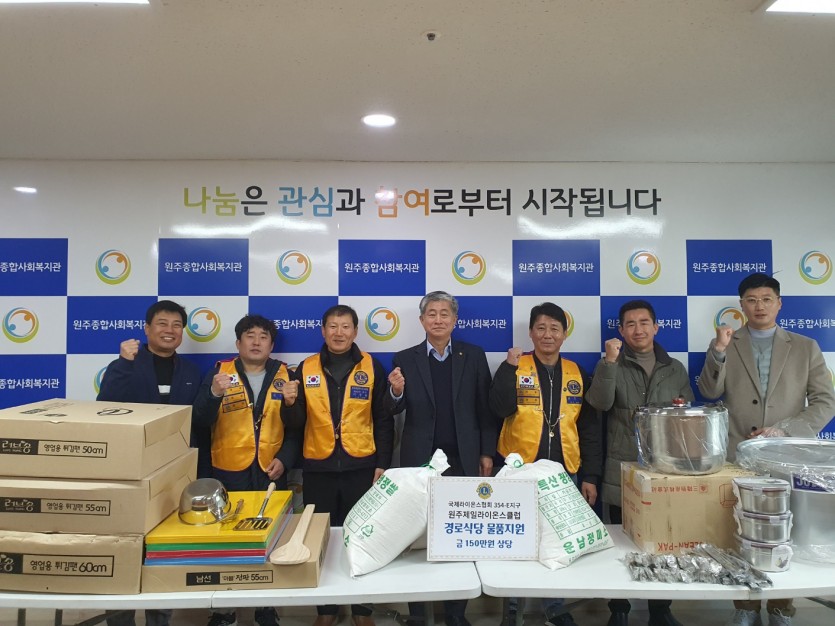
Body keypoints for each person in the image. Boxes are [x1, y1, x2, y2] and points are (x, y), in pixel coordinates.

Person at [698, 273, 835, 626]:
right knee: (740, 529)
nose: (759, 306)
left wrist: (784, 431)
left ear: (779, 303)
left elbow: (825, 401)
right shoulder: (726, 343)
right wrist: (718, 352)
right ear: (741, 305)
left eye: (766, 299)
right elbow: (709, 392)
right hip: (737, 455)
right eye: (752, 300)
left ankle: (780, 608)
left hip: (786, 459)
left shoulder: (805, 346)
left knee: (782, 533)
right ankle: (745, 607)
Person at [388, 290, 497, 626]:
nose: (438, 319)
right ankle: (418, 614)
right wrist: (395, 391)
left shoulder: (473, 355)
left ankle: (455, 613)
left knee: (459, 536)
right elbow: (392, 409)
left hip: (463, 459)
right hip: (419, 461)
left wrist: (486, 452)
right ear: (422, 320)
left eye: (444, 313)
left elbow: (485, 409)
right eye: (431, 314)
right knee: (416, 537)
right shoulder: (404, 358)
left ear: (455, 320)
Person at [489, 302, 602, 626]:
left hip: (565, 471)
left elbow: (589, 429)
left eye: (554, 328)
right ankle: (512, 608)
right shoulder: (515, 366)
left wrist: (590, 476)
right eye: (541, 328)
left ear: (564, 334)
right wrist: (508, 369)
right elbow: (497, 409)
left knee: (559, 541)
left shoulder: (577, 373)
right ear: (530, 332)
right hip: (518, 470)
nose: (547, 334)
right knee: (515, 541)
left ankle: (555, 607)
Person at [282, 304, 394, 626]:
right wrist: (289, 403)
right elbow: (295, 423)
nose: (339, 333)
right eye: (332, 326)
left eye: (345, 327)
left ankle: (362, 610)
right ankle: (327, 610)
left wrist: (383, 463)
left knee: (363, 538)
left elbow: (383, 419)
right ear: (323, 331)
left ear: (355, 331)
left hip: (362, 467)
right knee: (321, 540)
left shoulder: (372, 366)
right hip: (319, 469)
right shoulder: (305, 368)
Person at [586, 299, 694, 626]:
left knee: (663, 540)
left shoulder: (674, 368)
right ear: (621, 331)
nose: (638, 329)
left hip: (664, 470)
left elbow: (687, 414)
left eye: (644, 322)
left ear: (656, 327)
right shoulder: (610, 364)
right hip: (622, 468)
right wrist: (609, 362)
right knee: (620, 542)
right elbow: (599, 403)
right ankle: (618, 609)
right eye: (630, 324)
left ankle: (660, 609)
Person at [97, 299, 204, 626]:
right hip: (130, 472)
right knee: (125, 545)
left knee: (164, 550)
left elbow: (198, 421)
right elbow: (105, 405)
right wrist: (123, 363)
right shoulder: (127, 363)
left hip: (173, 474)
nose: (169, 330)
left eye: (176, 325)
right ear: (147, 329)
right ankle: (120, 619)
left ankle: (160, 619)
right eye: (162, 323)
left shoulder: (190, 371)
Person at [192, 314, 301, 626]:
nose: (256, 342)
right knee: (226, 541)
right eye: (250, 336)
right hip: (228, 472)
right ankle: (224, 611)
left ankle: (266, 607)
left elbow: (297, 429)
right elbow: (199, 422)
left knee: (272, 540)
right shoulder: (219, 373)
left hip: (271, 473)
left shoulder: (287, 375)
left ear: (272, 345)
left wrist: (285, 459)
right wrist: (213, 395)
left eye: (263, 337)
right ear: (238, 343)